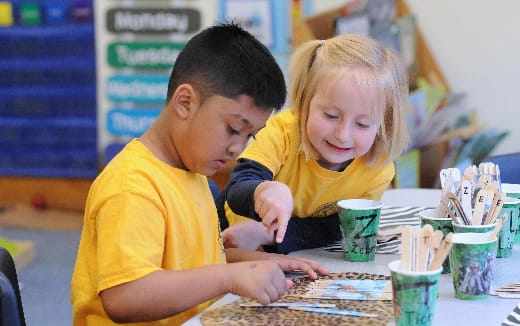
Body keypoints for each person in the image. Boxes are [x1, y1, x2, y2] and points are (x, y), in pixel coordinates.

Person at [70, 23, 328, 326]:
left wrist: (268, 263)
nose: (237, 148)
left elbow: (201, 266)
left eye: (249, 136)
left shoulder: (192, 171)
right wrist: (230, 277)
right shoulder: (133, 186)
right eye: (233, 129)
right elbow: (125, 297)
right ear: (185, 102)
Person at [216, 33, 410, 254]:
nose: (343, 135)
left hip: (282, 251)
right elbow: (237, 188)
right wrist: (264, 189)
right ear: (305, 101)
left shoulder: (378, 170)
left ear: (385, 124)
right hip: (227, 238)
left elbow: (332, 229)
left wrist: (265, 234)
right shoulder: (282, 133)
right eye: (330, 115)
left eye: (362, 124)